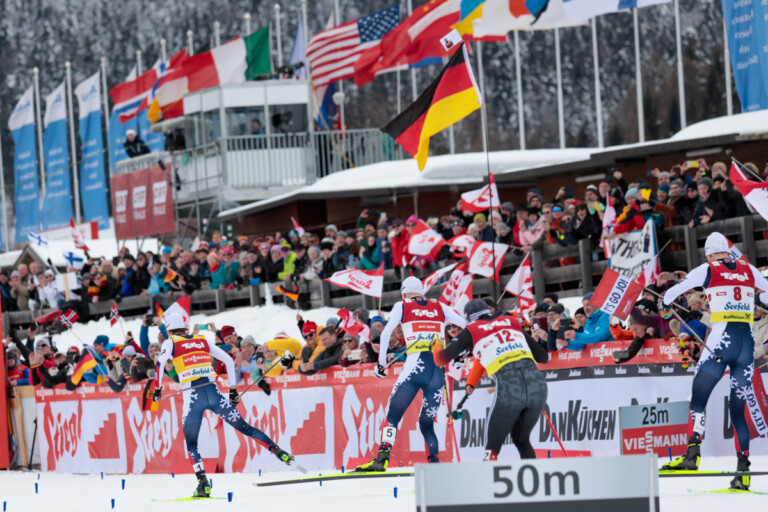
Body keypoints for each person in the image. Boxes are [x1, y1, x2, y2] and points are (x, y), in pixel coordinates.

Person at [659, 232, 768, 490]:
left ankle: (691, 455)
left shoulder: (707, 268)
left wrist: (664, 305)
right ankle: (743, 471)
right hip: (746, 344)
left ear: (709, 253)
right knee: (738, 411)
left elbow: (672, 294)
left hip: (721, 341)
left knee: (697, 398)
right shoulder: (749, 270)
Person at [154, 313, 298, 497]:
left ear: (168, 330)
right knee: (245, 427)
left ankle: (203, 484)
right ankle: (280, 452)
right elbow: (228, 360)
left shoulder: (170, 342)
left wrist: (158, 390)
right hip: (214, 394)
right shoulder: (201, 340)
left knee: (191, 443)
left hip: (193, 398)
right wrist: (232, 390)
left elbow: (160, 364)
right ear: (186, 328)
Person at [355, 276, 466, 472]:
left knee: (393, 416)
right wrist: (460, 354)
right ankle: (435, 465)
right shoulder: (438, 305)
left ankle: (382, 458)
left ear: (404, 293)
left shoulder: (402, 304)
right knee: (426, 423)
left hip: (416, 367)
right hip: (437, 372)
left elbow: (387, 332)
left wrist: (382, 364)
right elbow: (466, 326)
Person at [434, 299, 548, 460]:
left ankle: (487, 483)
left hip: (510, 386)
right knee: (521, 440)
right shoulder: (511, 321)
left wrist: (437, 344)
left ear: (468, 319)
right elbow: (543, 357)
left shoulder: (470, 330)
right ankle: (534, 483)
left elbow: (441, 359)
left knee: (492, 447)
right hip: (537, 383)